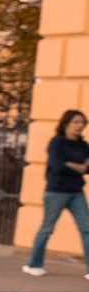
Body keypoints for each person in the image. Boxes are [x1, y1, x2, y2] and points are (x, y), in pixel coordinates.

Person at [25, 108, 89, 277]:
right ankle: (34, 264)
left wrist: (74, 166)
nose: (80, 126)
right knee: (47, 229)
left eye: (82, 123)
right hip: (56, 191)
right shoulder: (57, 143)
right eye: (76, 122)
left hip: (76, 192)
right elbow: (57, 165)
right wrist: (80, 167)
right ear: (66, 123)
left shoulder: (84, 145)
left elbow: (86, 167)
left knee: (87, 229)